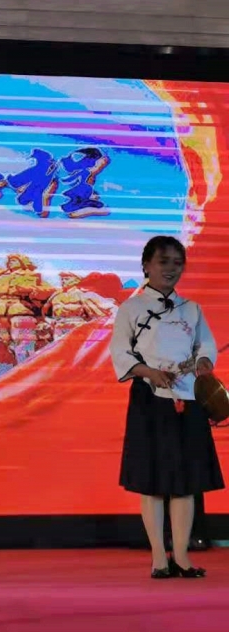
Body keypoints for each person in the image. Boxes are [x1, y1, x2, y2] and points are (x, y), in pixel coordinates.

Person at [109, 235, 222, 579]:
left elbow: (206, 345)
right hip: (149, 399)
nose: (171, 268)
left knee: (186, 481)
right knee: (153, 481)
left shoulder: (192, 308)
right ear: (146, 265)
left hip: (189, 400)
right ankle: (159, 557)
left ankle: (183, 556)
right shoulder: (131, 308)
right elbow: (120, 352)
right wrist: (149, 372)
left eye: (177, 262)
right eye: (163, 261)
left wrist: (203, 362)